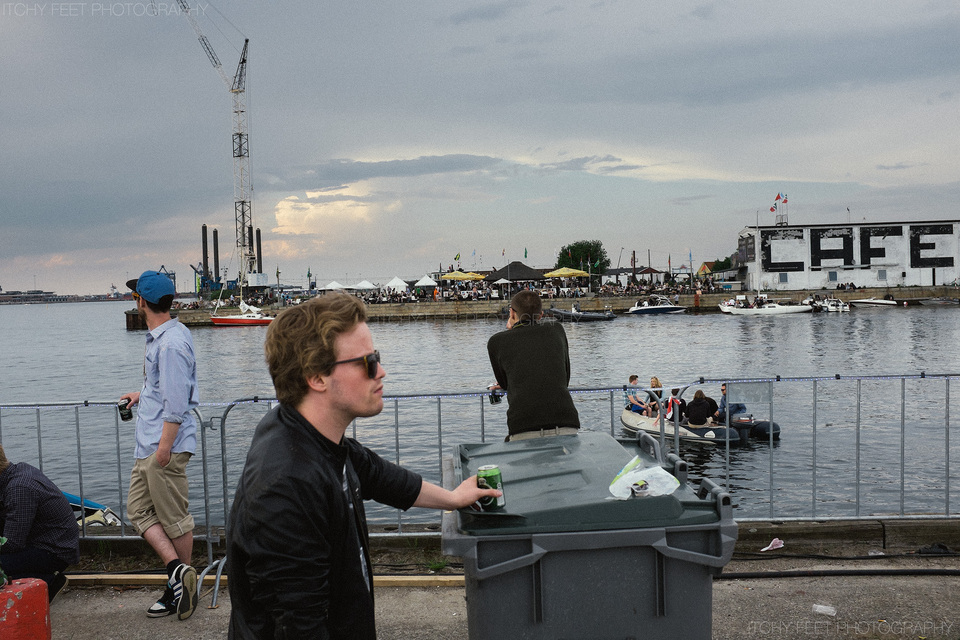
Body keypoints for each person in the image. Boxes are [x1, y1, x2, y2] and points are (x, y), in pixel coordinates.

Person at [227, 293, 500, 639]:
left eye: (378, 357)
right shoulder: (285, 490)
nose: (382, 371)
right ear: (317, 377)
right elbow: (300, 626)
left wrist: (453, 498)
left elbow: (377, 474)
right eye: (368, 362)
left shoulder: (306, 432)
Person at [120, 270, 200, 621]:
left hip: (162, 445)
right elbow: (165, 388)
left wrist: (164, 450)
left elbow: (177, 403)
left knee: (174, 518)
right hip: (151, 442)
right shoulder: (163, 337)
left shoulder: (170, 344)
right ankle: (178, 573)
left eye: (135, 296)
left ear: (142, 302)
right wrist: (142, 394)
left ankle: (180, 588)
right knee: (137, 509)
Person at [486, 290, 580, 440]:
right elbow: (565, 377)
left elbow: (505, 383)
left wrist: (511, 328)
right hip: (566, 422)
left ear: (511, 313)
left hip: (523, 426)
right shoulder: (557, 330)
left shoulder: (496, 342)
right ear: (541, 315)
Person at [0, 445, 79, 601]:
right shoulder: (15, 472)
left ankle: (47, 582)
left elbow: (11, 543)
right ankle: (43, 579)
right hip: (45, 540)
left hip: (53, 550)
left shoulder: (19, 488)